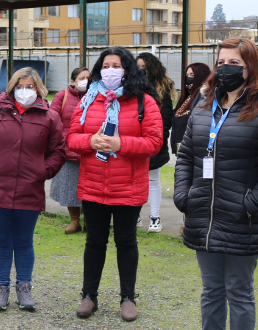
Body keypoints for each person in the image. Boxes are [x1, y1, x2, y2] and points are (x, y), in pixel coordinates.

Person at [174, 37, 258, 330]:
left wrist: (253, 202)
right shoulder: (204, 106)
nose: (225, 68)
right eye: (221, 62)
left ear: (250, 67)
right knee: (211, 292)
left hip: (241, 219)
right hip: (203, 217)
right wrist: (184, 195)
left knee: (240, 293)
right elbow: (186, 155)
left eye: (234, 63)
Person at [66, 46, 163, 322]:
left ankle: (128, 297)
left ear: (128, 69)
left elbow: (154, 142)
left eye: (116, 65)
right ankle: (89, 295)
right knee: (94, 241)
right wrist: (90, 141)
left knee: (126, 242)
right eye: (106, 66)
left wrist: (121, 144)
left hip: (128, 186)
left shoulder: (144, 101)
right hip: (94, 184)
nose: (110, 70)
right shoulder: (89, 99)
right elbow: (72, 137)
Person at [0, 67, 65, 312]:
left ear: (38, 88)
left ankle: (24, 287)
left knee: (23, 242)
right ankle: (1, 289)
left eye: (30, 86)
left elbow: (58, 151)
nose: (25, 91)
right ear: (12, 88)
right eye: (20, 86)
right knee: (2, 242)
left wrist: (43, 171)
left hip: (29, 189)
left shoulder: (49, 116)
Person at [136, 53, 174, 233]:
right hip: (135, 140)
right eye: (138, 67)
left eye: (143, 67)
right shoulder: (133, 85)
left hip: (154, 140)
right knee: (135, 179)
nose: (140, 70)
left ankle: (155, 217)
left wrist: (158, 138)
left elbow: (166, 118)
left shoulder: (162, 87)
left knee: (153, 180)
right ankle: (135, 215)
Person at [49, 67, 90, 234]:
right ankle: (75, 221)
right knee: (69, 187)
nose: (85, 81)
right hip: (68, 150)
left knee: (89, 189)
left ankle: (89, 220)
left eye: (88, 77)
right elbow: (52, 119)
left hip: (89, 149)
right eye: (82, 78)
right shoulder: (62, 96)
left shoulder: (96, 96)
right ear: (73, 81)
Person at [171, 63, 211, 155]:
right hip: (181, 145)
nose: (188, 78)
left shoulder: (203, 97)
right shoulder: (187, 96)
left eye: (192, 75)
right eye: (187, 75)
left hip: (194, 148)